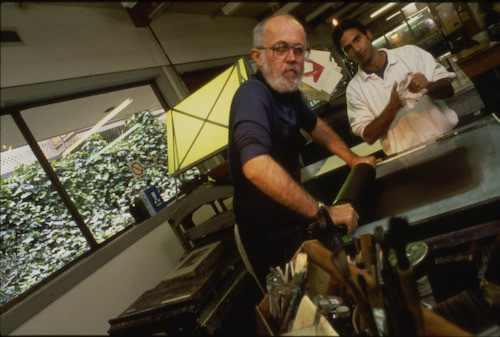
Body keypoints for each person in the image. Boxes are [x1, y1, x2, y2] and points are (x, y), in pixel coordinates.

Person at [228, 14, 375, 286]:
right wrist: (323, 212)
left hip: (295, 219)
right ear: (258, 57)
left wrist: (353, 159)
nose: (292, 58)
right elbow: (256, 166)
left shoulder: (288, 91)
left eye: (298, 49)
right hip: (269, 236)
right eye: (280, 49)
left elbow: (315, 126)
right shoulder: (252, 95)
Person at [332, 19, 458, 155]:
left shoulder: (410, 54)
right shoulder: (355, 90)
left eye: (357, 39)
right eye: (348, 48)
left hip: (447, 141)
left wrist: (428, 86)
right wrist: (392, 108)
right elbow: (368, 136)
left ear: (368, 34)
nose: (356, 49)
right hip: (409, 161)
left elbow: (449, 90)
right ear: (345, 55)